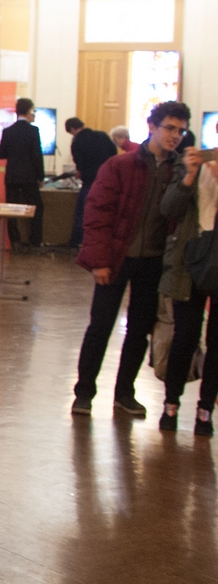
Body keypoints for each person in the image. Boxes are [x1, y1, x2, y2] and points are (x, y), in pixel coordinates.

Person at [72, 100, 192, 418]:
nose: (175, 135)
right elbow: (98, 213)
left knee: (139, 330)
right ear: (151, 127)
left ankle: (125, 393)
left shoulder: (179, 170)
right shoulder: (120, 165)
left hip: (153, 262)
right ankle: (84, 392)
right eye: (170, 128)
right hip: (116, 258)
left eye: (181, 131)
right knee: (100, 326)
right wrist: (99, 260)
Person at [157, 144, 218, 435]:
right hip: (189, 260)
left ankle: (205, 410)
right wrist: (190, 176)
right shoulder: (191, 162)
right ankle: (171, 404)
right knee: (185, 337)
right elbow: (168, 209)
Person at [0, 98, 45, 249]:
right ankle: (35, 241)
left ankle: (15, 240)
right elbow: (37, 156)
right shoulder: (33, 131)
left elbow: (1, 154)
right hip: (29, 177)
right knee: (36, 208)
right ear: (29, 110)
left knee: (11, 209)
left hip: (12, 176)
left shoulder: (8, 131)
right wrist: (41, 177)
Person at [66, 117, 117, 248]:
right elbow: (114, 153)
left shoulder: (77, 142)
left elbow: (80, 164)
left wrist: (80, 172)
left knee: (82, 212)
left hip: (89, 181)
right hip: (107, 179)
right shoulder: (102, 135)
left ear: (72, 129)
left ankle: (77, 241)